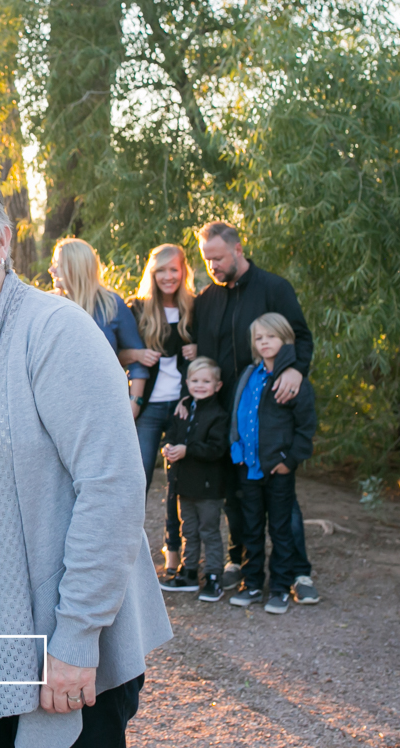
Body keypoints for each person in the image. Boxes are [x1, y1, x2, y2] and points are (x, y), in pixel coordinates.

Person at [0, 162, 172, 748]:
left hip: (60, 660)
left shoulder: (54, 332)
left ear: (2, 241)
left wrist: (75, 641)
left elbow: (112, 487)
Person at [188, 221, 319, 606]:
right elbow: (200, 355)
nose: (212, 265)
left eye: (218, 258)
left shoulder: (274, 288)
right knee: (237, 496)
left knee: (282, 500)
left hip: (272, 419)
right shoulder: (207, 299)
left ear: (238, 249)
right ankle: (241, 562)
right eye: (206, 259)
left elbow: (302, 337)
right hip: (225, 419)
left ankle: (297, 571)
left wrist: (295, 369)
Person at [227, 314, 317, 615]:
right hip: (248, 467)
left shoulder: (291, 380)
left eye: (271, 337)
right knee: (251, 528)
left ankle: (279, 587)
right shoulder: (250, 375)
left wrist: (290, 461)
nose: (264, 342)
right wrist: (236, 449)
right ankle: (252, 583)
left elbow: (305, 426)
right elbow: (238, 412)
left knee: (280, 529)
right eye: (259, 338)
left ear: (285, 339)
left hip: (278, 469)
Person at [121, 244, 198, 589]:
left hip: (183, 406)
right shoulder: (136, 308)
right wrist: (135, 352)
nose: (168, 276)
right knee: (138, 482)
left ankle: (175, 555)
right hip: (149, 408)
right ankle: (126, 560)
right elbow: (114, 351)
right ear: (152, 274)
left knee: (180, 484)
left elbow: (212, 355)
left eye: (174, 270)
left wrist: (200, 351)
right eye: (161, 270)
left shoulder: (195, 308)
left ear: (183, 273)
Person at [49, 238, 149, 411]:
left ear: (76, 267)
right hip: (59, 403)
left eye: (58, 264)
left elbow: (139, 360)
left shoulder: (111, 304)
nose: (51, 270)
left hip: (104, 404)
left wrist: (134, 403)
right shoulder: (48, 305)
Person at [161, 358, 229, 602]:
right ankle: (189, 572)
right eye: (195, 381)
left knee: (209, 531)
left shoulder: (218, 415)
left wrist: (187, 450)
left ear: (217, 385)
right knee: (188, 530)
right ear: (187, 382)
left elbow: (216, 448)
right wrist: (168, 446)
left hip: (208, 488)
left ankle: (213, 576)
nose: (200, 385)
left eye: (206, 381)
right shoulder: (183, 409)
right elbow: (171, 434)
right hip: (183, 486)